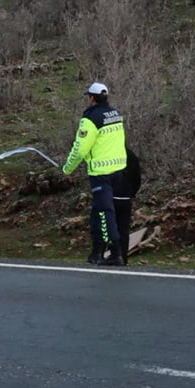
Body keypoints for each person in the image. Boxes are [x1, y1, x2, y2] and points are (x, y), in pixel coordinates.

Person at [62, 82, 128, 265]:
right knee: (97, 212)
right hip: (118, 170)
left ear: (91, 98)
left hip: (101, 172)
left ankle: (115, 252)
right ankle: (96, 251)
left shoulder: (89, 119)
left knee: (105, 213)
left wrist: (67, 168)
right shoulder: (115, 114)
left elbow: (80, 149)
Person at [112, 147, 142, 264]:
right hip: (126, 197)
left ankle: (110, 254)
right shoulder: (131, 155)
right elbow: (137, 178)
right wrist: (132, 193)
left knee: (108, 226)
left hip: (111, 196)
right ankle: (123, 257)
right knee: (123, 229)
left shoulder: (109, 153)